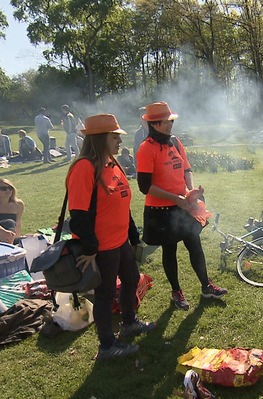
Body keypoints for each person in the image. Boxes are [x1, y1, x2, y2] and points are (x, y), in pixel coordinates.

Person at [66, 113, 156, 360]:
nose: (119, 141)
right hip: (101, 247)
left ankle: (129, 323)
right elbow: (78, 214)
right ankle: (106, 345)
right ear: (99, 138)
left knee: (131, 279)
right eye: (114, 136)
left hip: (120, 241)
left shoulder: (113, 164)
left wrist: (133, 236)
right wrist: (91, 248)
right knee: (105, 294)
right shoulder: (84, 168)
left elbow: (122, 204)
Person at [136, 101, 228, 311]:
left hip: (183, 205)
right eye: (166, 122)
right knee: (170, 249)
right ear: (154, 124)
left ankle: (206, 286)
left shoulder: (175, 142)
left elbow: (186, 168)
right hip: (160, 210)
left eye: (171, 121)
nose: (170, 125)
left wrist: (190, 190)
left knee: (194, 242)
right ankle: (176, 292)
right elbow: (145, 186)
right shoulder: (145, 149)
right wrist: (174, 197)